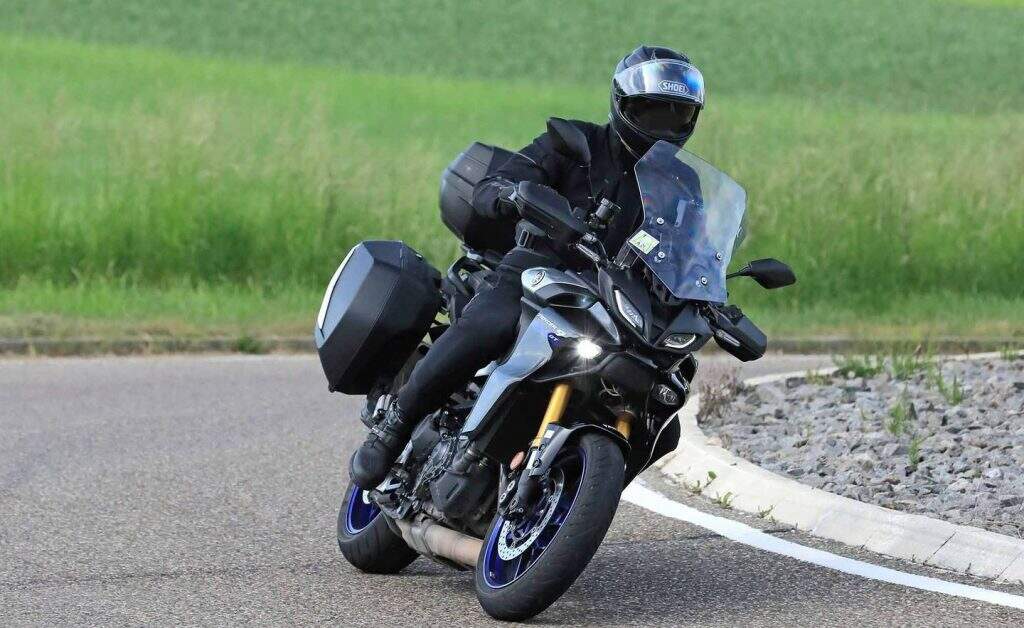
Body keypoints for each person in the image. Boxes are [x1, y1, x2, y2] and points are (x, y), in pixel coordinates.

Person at [350, 45, 706, 489]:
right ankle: (395, 425)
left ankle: (572, 488)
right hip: (538, 270)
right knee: (490, 323)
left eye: (676, 115)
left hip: (614, 300)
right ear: (623, 103)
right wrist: (510, 193)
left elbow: (693, 251)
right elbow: (498, 182)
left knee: (663, 421)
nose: (662, 127)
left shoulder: (683, 185)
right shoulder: (574, 144)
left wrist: (706, 289)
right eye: (651, 111)